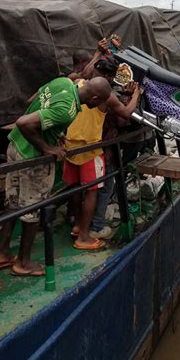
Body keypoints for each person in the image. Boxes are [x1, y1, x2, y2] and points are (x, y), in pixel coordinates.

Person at [0, 76, 111, 276]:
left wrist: (55, 133)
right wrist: (48, 148)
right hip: (31, 157)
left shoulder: (63, 82)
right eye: (101, 101)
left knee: (12, 202)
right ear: (96, 98)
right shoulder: (68, 110)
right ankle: (23, 262)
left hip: (15, 147)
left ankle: (1, 252)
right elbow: (24, 122)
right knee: (34, 208)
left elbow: (34, 102)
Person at [65, 63, 140, 245]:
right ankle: (85, 235)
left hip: (70, 146)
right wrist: (135, 94)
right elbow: (125, 114)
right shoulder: (105, 96)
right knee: (93, 192)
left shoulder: (76, 83)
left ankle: (76, 225)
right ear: (107, 78)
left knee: (75, 188)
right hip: (91, 149)